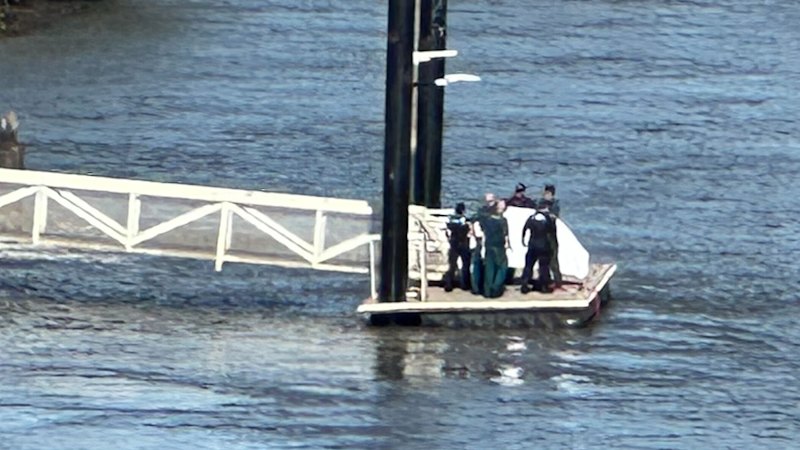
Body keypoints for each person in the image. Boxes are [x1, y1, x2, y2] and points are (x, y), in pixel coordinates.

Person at [520, 202, 557, 294]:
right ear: (545, 209)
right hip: (543, 246)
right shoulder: (547, 219)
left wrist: (523, 241)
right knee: (543, 266)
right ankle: (544, 286)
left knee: (528, 266)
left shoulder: (531, 218)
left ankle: (524, 285)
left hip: (532, 245)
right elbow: (552, 232)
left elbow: (524, 230)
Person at [478, 199, 509, 298]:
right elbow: (505, 234)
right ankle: (495, 288)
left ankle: (487, 292)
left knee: (489, 268)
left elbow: (481, 226)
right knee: (502, 267)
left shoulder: (487, 219)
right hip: (499, 246)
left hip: (489, 244)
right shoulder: (503, 221)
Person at [443, 202, 471, 292]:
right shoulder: (464, 220)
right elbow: (467, 229)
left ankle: (449, 284)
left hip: (453, 242)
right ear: (463, 210)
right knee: (465, 264)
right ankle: (465, 284)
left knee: (452, 265)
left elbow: (447, 231)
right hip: (463, 243)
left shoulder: (451, 219)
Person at [538, 184, 562, 287]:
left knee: (553, 260)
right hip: (541, 236)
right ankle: (544, 280)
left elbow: (554, 216)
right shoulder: (540, 203)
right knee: (542, 260)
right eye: (545, 193)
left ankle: (557, 281)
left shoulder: (555, 204)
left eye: (548, 194)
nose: (545, 195)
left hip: (551, 236)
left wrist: (547, 213)